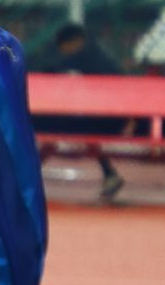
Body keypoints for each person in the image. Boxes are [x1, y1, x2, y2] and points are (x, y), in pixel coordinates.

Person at [33, 21, 126, 201]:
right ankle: (109, 173)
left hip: (109, 120)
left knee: (55, 127)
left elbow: (51, 69)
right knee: (62, 127)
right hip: (109, 115)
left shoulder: (85, 54)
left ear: (74, 41)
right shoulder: (96, 53)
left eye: (64, 47)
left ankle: (28, 173)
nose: (64, 52)